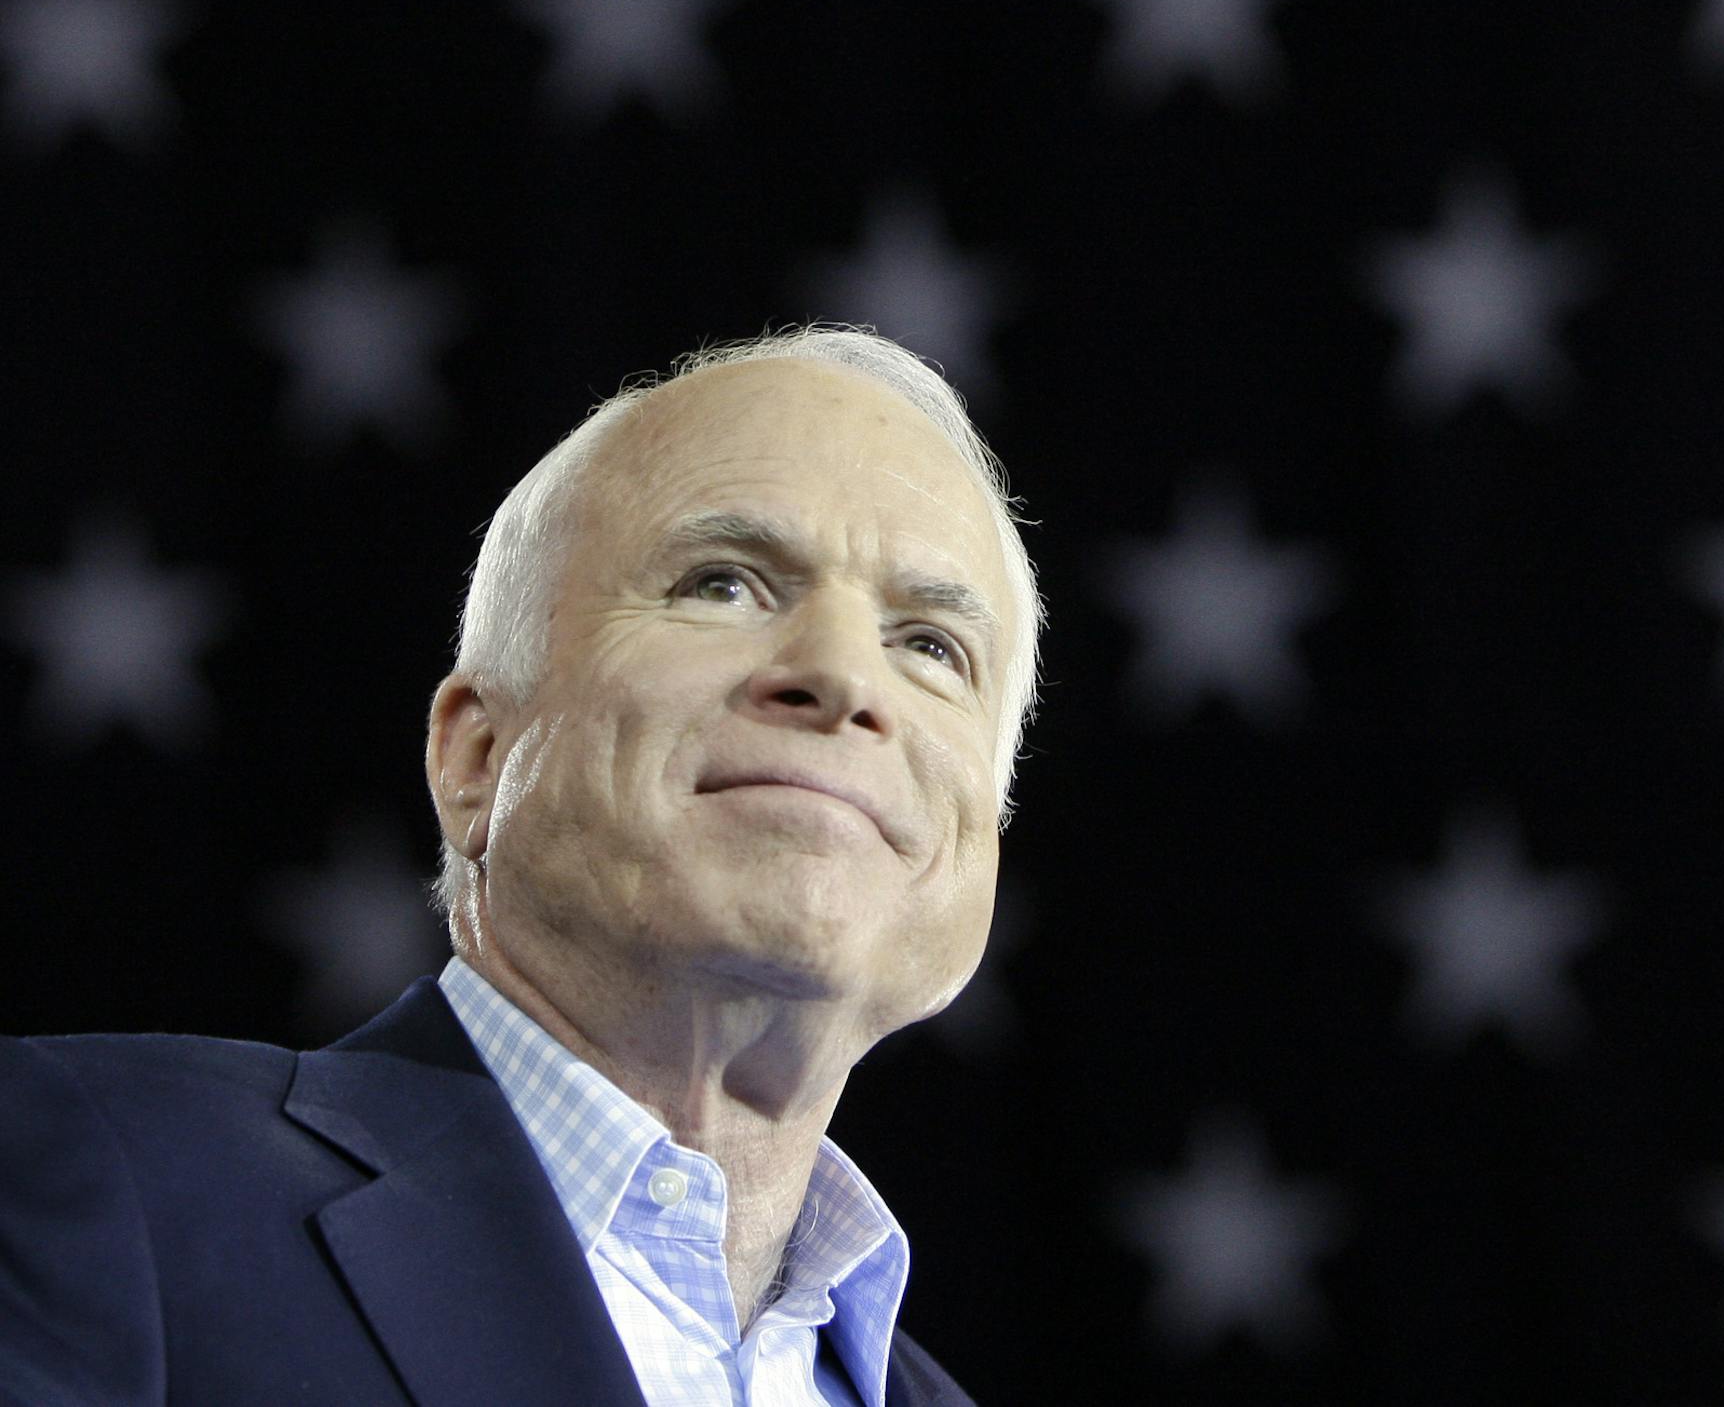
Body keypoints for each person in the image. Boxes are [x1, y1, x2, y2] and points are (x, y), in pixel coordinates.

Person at [0, 326, 1043, 1406]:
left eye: (931, 645)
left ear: (983, 849)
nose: (840, 676)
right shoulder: (101, 1173)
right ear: (476, 756)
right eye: (723, 583)